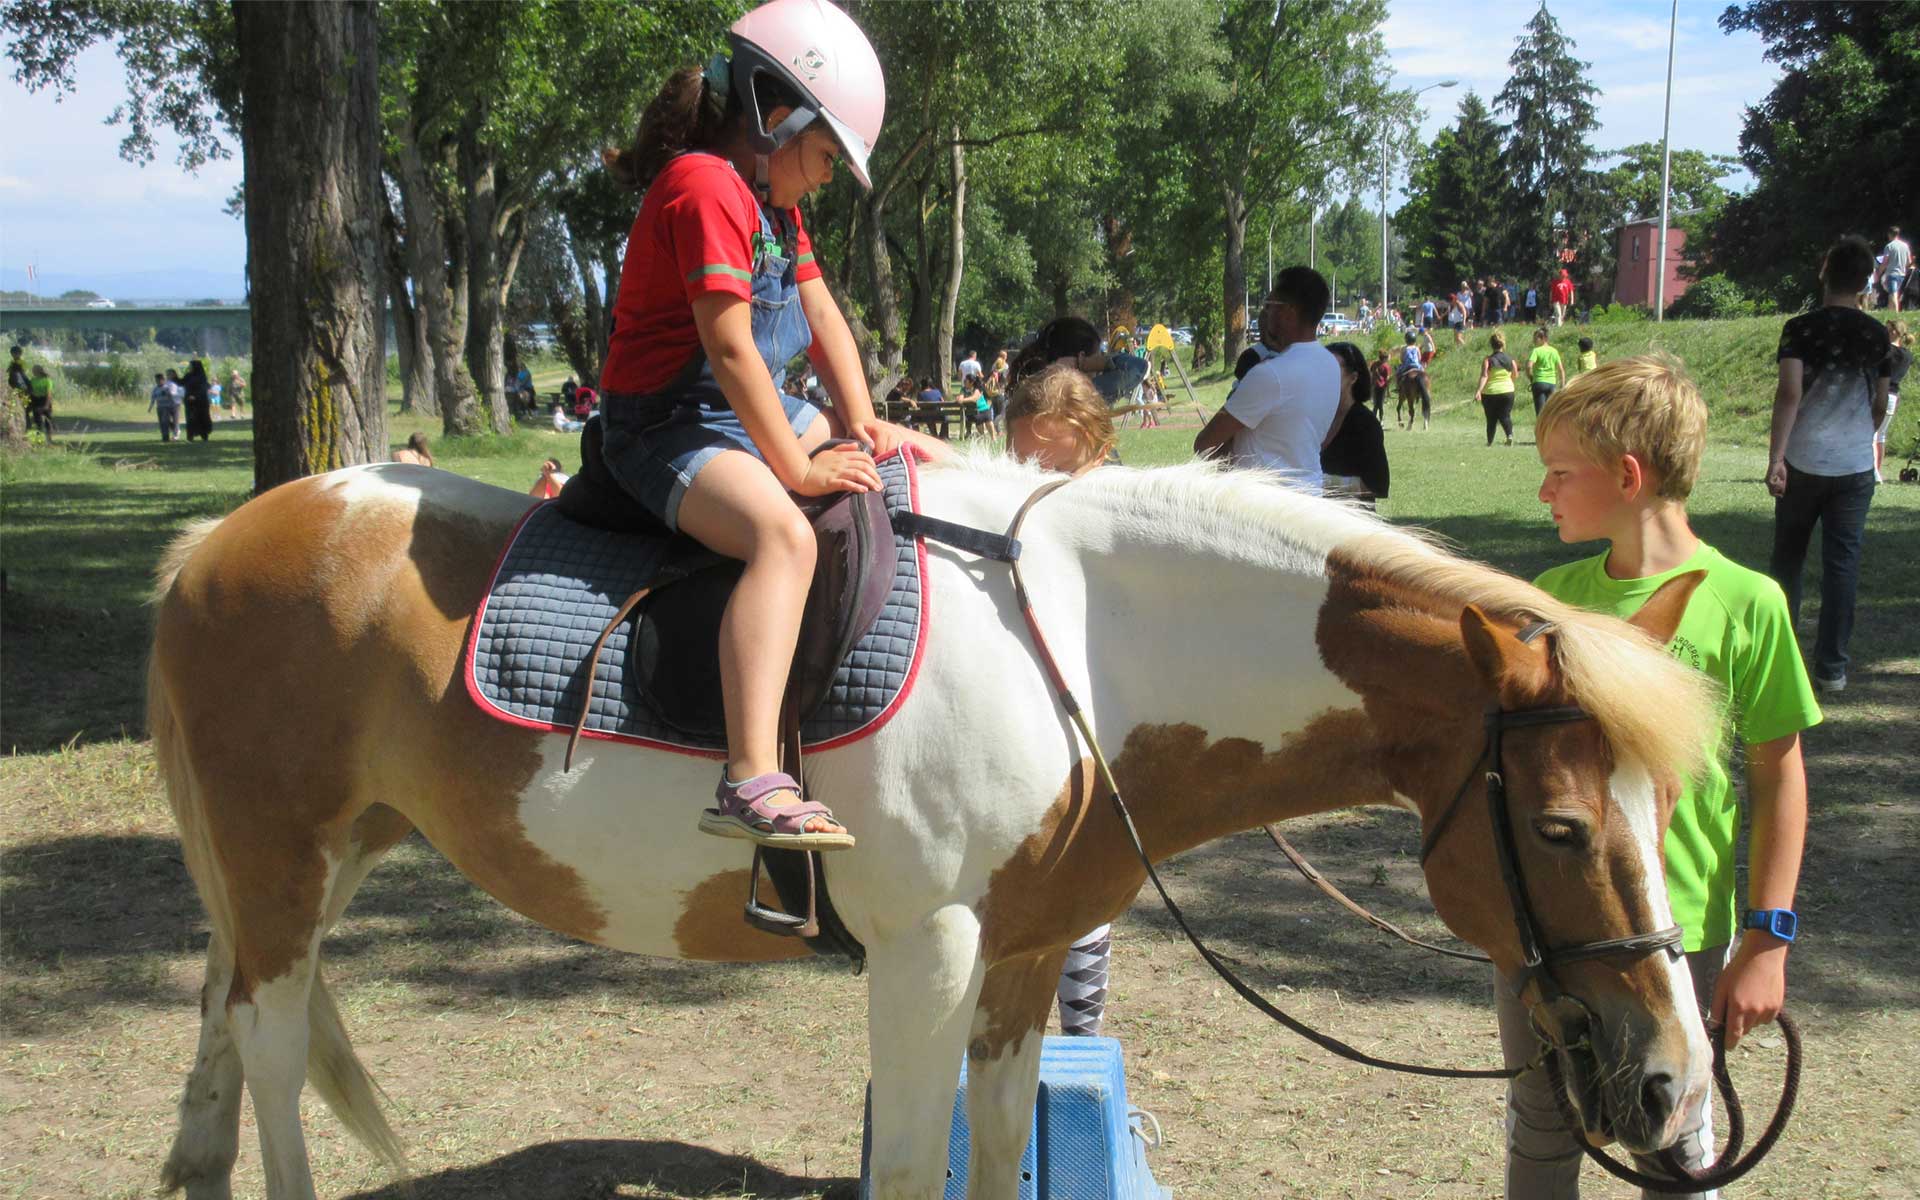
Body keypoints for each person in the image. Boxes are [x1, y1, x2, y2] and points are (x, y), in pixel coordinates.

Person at [595, 0, 934, 850]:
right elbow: (732, 346)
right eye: (824, 157)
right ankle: (749, 777)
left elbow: (819, 316)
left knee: (914, 464)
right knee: (784, 536)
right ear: (773, 115)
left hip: (742, 414)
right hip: (666, 426)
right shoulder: (703, 186)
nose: (823, 177)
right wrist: (797, 467)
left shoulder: (774, 209)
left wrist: (866, 424)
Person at [1516, 354, 1819, 1200]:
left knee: (1676, 1141)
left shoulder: (1746, 601)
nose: (1546, 494)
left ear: (1627, 474)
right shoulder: (1547, 602)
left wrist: (1766, 939)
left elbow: (1779, 777)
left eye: (1558, 474)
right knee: (1543, 1131)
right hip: (1553, 932)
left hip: (1678, 931)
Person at [1766, 235, 1891, 693]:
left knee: (1788, 563)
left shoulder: (1799, 329)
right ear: (1865, 281)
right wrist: (1861, 433)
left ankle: (1781, 659)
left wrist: (1776, 457)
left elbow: (1789, 394)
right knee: (1843, 566)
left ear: (1824, 270)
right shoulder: (1877, 334)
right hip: (1854, 467)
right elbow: (1880, 401)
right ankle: (1832, 668)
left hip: (1803, 460)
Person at [1193, 267, 1340, 489]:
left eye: (1270, 305)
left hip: (1264, 507)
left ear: (1289, 312)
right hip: (1310, 497)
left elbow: (1205, 443)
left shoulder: (1270, 374)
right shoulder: (1331, 365)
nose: (1266, 313)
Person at [1008, 316, 1149, 405]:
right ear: (1080, 357)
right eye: (1098, 356)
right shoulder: (1078, 398)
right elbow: (1139, 367)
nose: (1100, 369)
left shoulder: (1027, 397)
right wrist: (1083, 364)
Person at [1318, 341, 1389, 507]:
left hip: (1352, 521)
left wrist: (1323, 482)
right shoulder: (1314, 416)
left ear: (1353, 378)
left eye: (1332, 370)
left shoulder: (1365, 422)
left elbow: (1378, 484)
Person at [1877, 321, 1909, 482]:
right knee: (1881, 435)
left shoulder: (1886, 351)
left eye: (1888, 329)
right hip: (1893, 396)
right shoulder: (1906, 355)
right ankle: (1878, 469)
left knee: (1872, 434)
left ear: (1895, 332)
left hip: (1880, 393)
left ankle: (1874, 472)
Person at [1474, 331, 1518, 446]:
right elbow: (1515, 374)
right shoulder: (1511, 359)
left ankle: (1489, 442)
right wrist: (1509, 383)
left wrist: (1478, 391)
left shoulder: (1488, 360)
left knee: (1491, 419)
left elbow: (1484, 376)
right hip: (1507, 391)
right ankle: (1509, 435)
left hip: (1490, 393)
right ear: (1503, 344)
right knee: (1505, 415)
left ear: (1491, 345)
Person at [1393, 329, 1433, 431]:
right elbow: (1419, 358)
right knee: (1424, 374)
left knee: (1397, 373)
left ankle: (1398, 387)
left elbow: (1402, 359)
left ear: (1406, 340)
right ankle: (1425, 422)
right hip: (1417, 366)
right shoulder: (1416, 348)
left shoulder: (1404, 348)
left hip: (1407, 367)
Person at [1526, 326, 1565, 417]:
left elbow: (1529, 366)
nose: (1534, 341)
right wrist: (1562, 384)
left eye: (1536, 338)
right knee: (1549, 411)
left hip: (1539, 382)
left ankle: (1540, 430)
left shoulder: (1536, 351)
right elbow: (1561, 370)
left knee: (1540, 412)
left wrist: (1531, 377)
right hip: (1551, 383)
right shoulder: (1554, 351)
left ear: (1543, 339)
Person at [180, 359, 213, 441]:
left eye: (191, 366)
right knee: (190, 419)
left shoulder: (201, 377)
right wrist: (174, 378)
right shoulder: (188, 376)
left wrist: (195, 396)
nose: (189, 368)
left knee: (202, 418)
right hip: (189, 402)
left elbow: (203, 388)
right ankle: (190, 436)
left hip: (201, 402)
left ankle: (204, 436)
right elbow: (182, 382)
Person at [1881, 226, 1910, 313]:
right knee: (1892, 294)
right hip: (1902, 274)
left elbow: (1885, 262)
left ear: (1889, 234)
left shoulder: (1889, 246)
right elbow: (1909, 262)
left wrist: (1879, 272)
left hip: (1892, 273)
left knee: (1893, 294)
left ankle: (1896, 313)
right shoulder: (1905, 246)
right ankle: (1890, 312)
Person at [149, 371, 182, 442]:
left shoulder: (166, 387)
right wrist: (150, 407)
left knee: (165, 421)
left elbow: (171, 396)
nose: (157, 382)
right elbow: (153, 398)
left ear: (162, 380)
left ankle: (167, 436)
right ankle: (164, 436)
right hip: (159, 407)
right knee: (161, 422)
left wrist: (168, 394)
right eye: (156, 380)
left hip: (167, 407)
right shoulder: (155, 389)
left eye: (158, 380)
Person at [25, 365, 55, 441]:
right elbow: (30, 392)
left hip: (45, 400)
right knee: (38, 421)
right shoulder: (33, 380)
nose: (32, 371)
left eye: (33, 370)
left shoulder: (47, 380)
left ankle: (49, 439)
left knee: (48, 421)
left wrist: (46, 405)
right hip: (36, 401)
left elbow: (49, 394)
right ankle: (39, 439)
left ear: (38, 371)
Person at [1369, 348, 1392, 421]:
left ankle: (1373, 419)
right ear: (1385, 358)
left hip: (1374, 386)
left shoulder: (1374, 364)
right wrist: (1388, 391)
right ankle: (1381, 420)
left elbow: (1371, 373)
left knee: (1376, 404)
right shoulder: (1386, 366)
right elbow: (1387, 379)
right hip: (1382, 387)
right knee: (1380, 405)